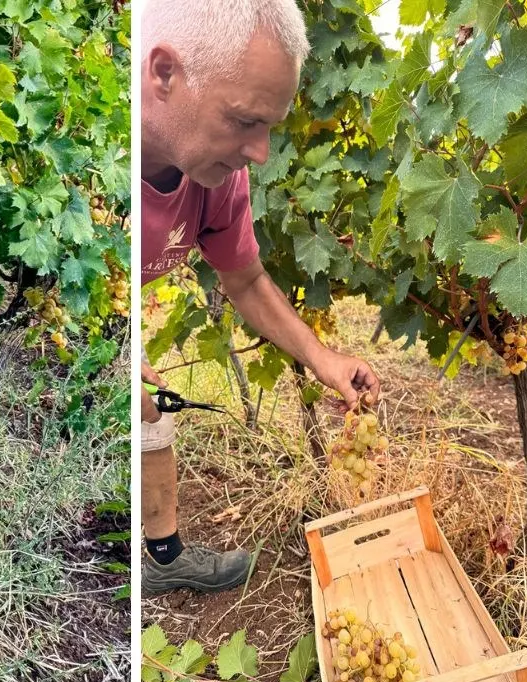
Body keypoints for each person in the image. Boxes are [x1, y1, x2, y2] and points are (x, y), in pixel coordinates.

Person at [139, 0, 381, 596]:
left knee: (152, 419)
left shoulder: (214, 176)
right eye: (246, 121)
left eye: (269, 127)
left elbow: (244, 281)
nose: (261, 152)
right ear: (164, 73)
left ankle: (163, 559)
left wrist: (324, 360)